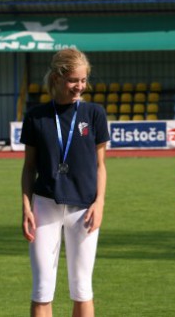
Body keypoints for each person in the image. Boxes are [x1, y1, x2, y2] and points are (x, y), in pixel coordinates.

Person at [21, 48, 110, 317]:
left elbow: (100, 166)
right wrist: (26, 206)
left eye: (83, 80)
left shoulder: (94, 113)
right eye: (74, 80)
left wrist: (100, 203)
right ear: (58, 78)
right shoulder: (36, 116)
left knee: (83, 289)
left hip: (84, 208)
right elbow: (28, 168)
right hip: (44, 206)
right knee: (42, 290)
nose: (79, 87)